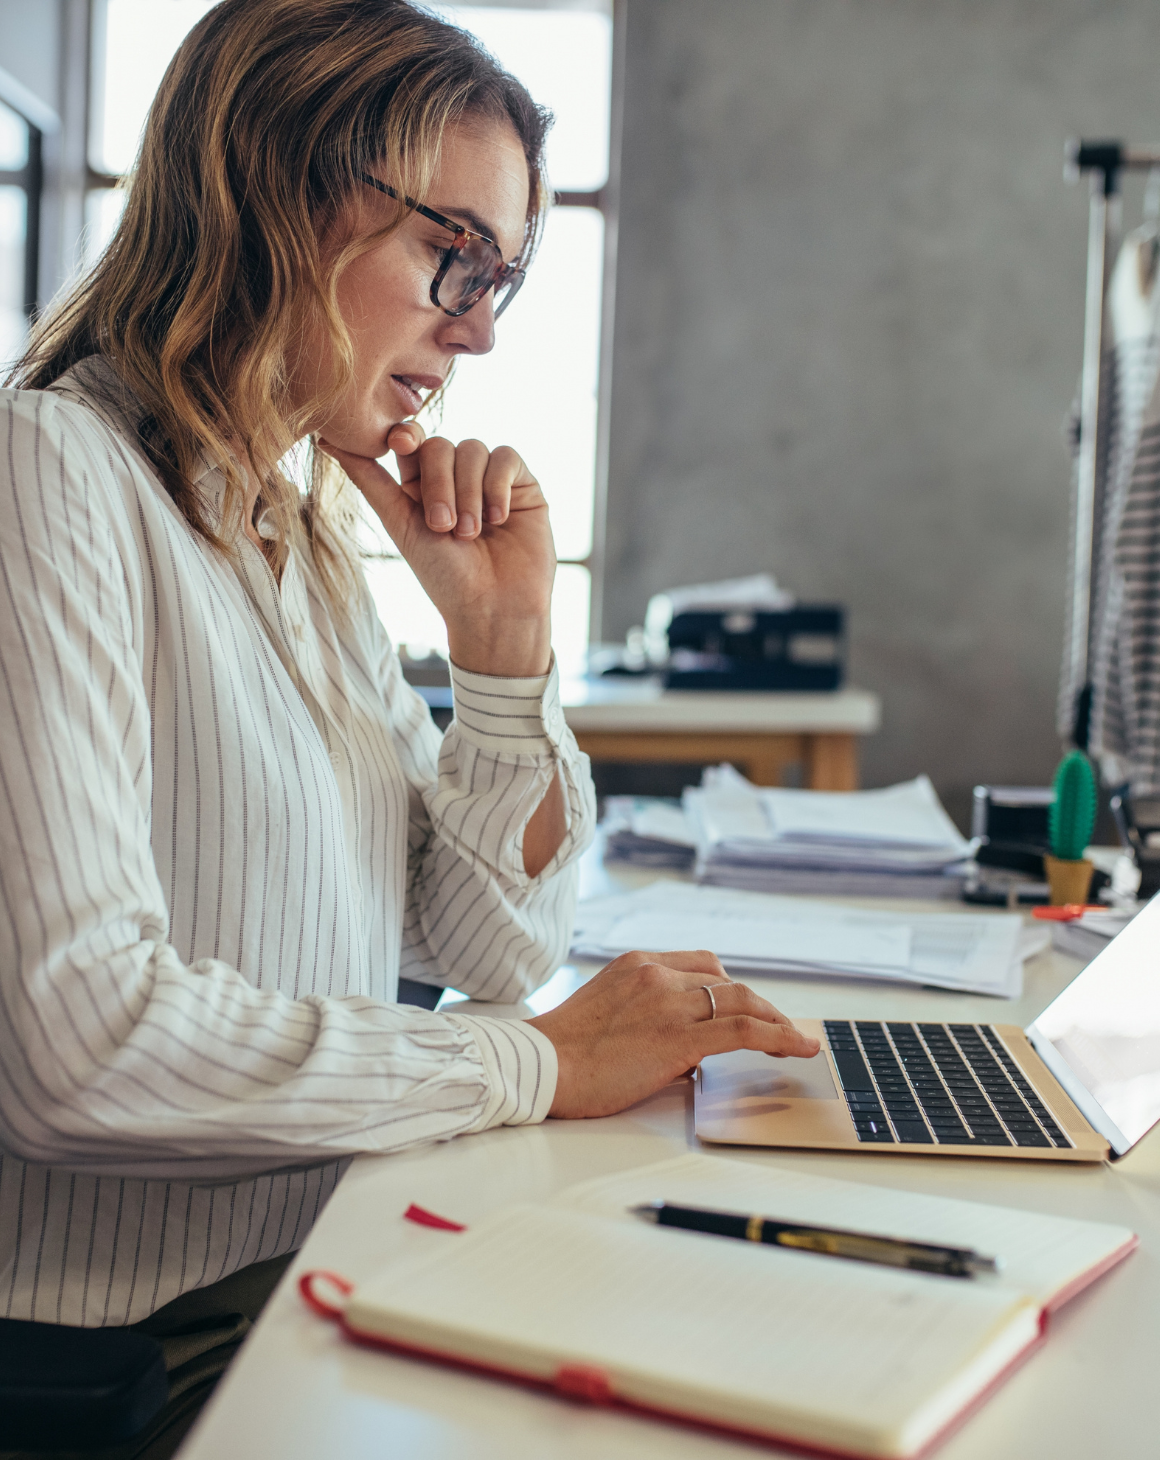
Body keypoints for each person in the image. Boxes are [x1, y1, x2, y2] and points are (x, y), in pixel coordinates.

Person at [0, 0, 818, 1450]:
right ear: (281, 191)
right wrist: (541, 1066)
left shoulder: (290, 524)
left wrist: (503, 658)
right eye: (459, 258)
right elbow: (79, 1046)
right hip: (114, 1368)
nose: (483, 329)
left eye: (501, 278)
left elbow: (487, 948)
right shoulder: (48, 471)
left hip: (303, 1268)